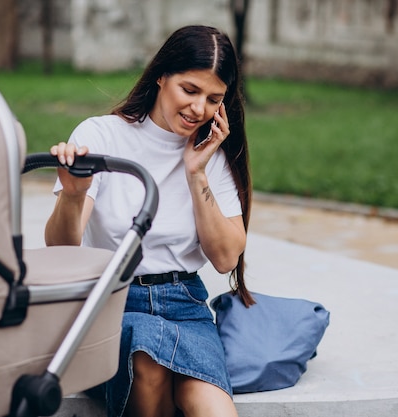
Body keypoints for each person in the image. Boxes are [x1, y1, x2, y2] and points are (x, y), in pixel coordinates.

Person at [45, 25, 254, 417]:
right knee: (148, 360)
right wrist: (73, 195)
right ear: (161, 75)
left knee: (214, 409)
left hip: (185, 306)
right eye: (189, 90)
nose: (199, 109)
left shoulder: (211, 155)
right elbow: (61, 252)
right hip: (113, 303)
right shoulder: (102, 136)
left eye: (214, 99)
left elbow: (226, 258)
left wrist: (196, 173)